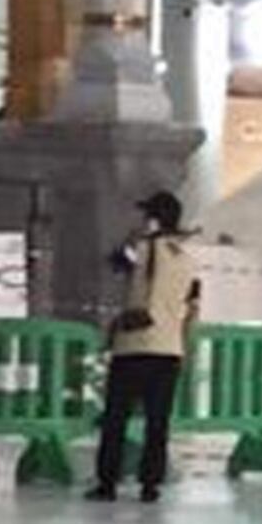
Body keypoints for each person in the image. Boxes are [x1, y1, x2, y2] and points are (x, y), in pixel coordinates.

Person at [89, 190, 199, 504]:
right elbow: (192, 307)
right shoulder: (189, 259)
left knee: (115, 419)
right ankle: (150, 485)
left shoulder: (143, 249)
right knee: (157, 422)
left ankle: (107, 483)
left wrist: (133, 237)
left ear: (151, 219)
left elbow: (114, 262)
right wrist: (185, 346)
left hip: (134, 347)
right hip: (169, 349)